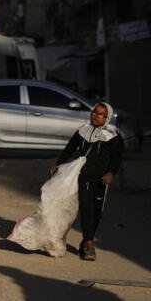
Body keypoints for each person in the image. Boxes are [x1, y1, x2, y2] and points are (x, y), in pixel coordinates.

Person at [50, 101, 123, 261]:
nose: (96, 116)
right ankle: (89, 243)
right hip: (83, 176)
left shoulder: (113, 137)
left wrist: (111, 173)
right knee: (86, 208)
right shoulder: (82, 131)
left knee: (96, 212)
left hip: (100, 180)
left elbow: (116, 159)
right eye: (94, 112)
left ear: (107, 117)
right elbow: (70, 148)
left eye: (101, 114)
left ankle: (85, 240)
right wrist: (58, 163)